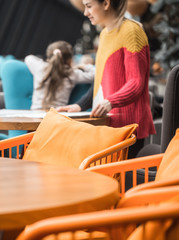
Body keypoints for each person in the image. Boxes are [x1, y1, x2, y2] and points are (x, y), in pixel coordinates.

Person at [57, 0, 155, 158]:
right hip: (110, 124)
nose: (85, 12)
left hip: (129, 127)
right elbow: (100, 79)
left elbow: (137, 82)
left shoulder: (131, 31)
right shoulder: (104, 34)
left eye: (89, 6)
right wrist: (80, 105)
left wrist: (110, 101)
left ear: (106, 4)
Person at [25, 41, 95, 110]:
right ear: (70, 59)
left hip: (35, 112)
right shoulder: (72, 74)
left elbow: (28, 58)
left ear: (49, 56)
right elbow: (95, 75)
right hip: (58, 113)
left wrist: (44, 62)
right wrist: (85, 66)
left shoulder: (40, 67)